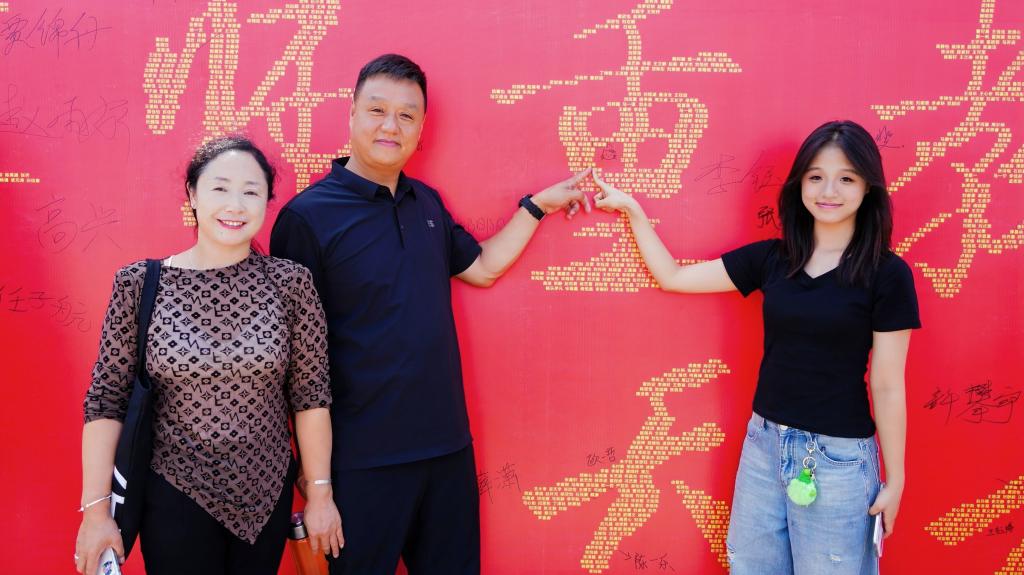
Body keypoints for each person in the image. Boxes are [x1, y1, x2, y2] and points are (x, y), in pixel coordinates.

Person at [270, 53, 590, 575]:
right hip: (361, 460)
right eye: (377, 110)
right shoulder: (307, 218)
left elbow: (482, 267)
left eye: (407, 115)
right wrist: (315, 478)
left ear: (421, 129)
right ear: (351, 113)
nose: (390, 126)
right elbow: (294, 362)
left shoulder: (427, 204)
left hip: (446, 449)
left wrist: (538, 207)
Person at [592, 120, 919, 575]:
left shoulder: (888, 275)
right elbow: (674, 277)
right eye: (816, 176)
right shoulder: (774, 259)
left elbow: (887, 385)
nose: (829, 190)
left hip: (838, 459)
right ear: (800, 184)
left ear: (868, 188)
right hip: (764, 445)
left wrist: (895, 479)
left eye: (846, 178)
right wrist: (632, 211)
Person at [76, 137, 343, 575]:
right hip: (173, 493)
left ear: (266, 201)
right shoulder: (138, 285)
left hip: (265, 494)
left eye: (251, 191)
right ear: (193, 195)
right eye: (220, 188)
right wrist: (96, 514)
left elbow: (311, 398)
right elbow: (106, 402)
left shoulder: (291, 284)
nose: (235, 205)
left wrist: (320, 495)